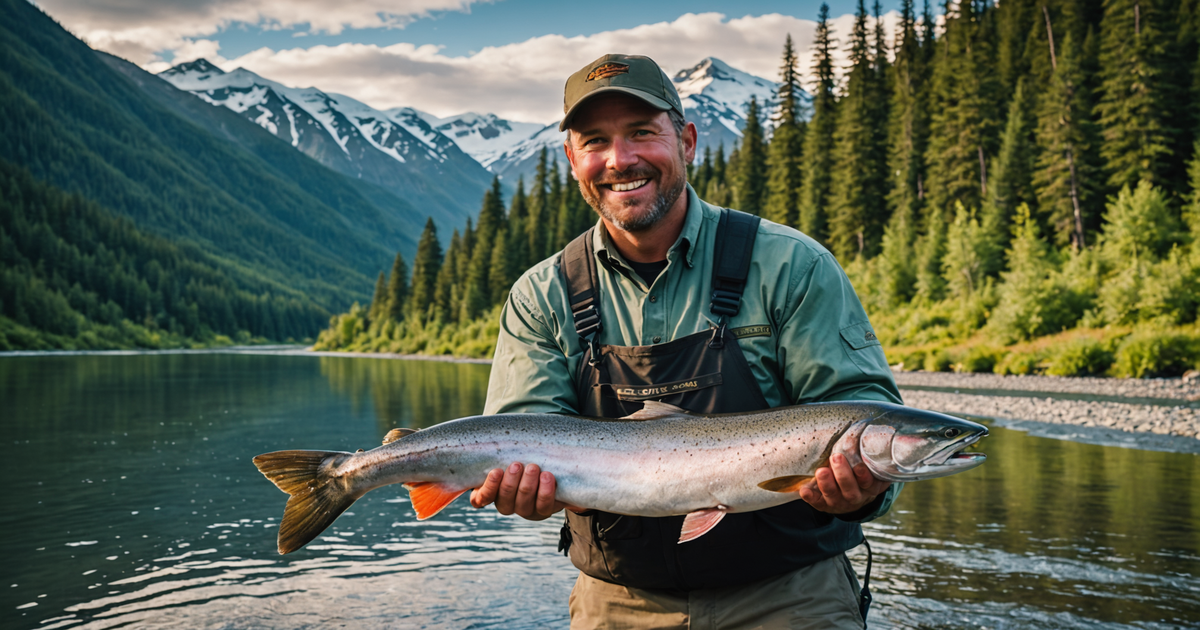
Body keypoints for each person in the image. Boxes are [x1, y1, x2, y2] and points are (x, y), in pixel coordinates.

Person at [471, 53, 903, 629]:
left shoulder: (790, 265)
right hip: (619, 602)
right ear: (573, 160)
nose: (620, 160)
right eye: (595, 141)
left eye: (642, 133)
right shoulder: (541, 294)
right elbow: (525, 433)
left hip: (792, 595)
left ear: (687, 141)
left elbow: (866, 411)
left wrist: (865, 492)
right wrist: (523, 488)